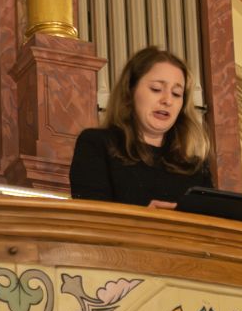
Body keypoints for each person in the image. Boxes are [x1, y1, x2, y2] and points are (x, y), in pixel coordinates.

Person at [69, 47, 213, 208]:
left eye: (176, 93)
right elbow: (92, 216)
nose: (167, 100)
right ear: (129, 92)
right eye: (156, 89)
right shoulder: (96, 144)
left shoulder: (196, 167)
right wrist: (144, 218)